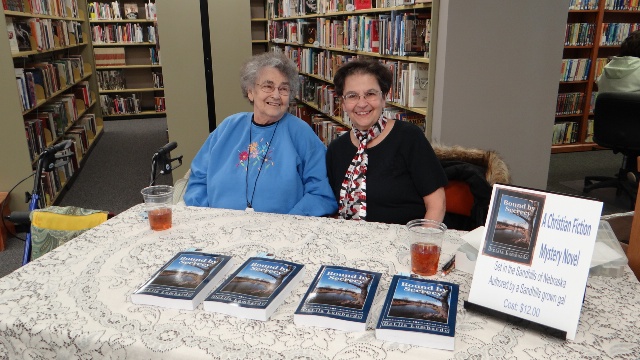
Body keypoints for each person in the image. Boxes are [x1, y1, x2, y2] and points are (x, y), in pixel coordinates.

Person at [184, 52, 337, 216]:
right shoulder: (228, 127)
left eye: (284, 88)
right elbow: (198, 179)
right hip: (220, 230)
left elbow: (321, 194)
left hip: (280, 234)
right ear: (250, 91)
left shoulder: (301, 132)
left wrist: (290, 224)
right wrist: (206, 218)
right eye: (268, 86)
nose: (276, 95)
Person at [326, 60, 447, 225]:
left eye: (370, 94)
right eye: (352, 96)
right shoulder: (336, 149)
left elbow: (437, 204)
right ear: (343, 103)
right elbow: (334, 208)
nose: (362, 103)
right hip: (351, 244)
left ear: (384, 97)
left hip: (404, 244)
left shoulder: (409, 137)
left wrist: (421, 244)